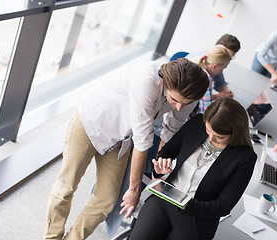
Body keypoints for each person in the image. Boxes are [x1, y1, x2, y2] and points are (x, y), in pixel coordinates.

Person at [44, 58, 209, 240]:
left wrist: (159, 168)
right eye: (174, 100)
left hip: (120, 137)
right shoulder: (147, 80)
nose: (179, 107)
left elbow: (170, 131)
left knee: (106, 200)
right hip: (90, 124)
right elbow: (142, 141)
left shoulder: (189, 96)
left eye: (186, 104)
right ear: (164, 83)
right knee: (66, 187)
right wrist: (134, 189)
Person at [128, 97, 257, 240]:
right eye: (208, 131)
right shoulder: (197, 123)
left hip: (197, 217)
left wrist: (189, 206)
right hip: (165, 200)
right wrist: (160, 168)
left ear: (235, 133)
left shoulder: (245, 158)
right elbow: (166, 152)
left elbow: (224, 206)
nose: (211, 139)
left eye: (219, 137)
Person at [187, 34, 241, 98]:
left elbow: (220, 82)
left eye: (231, 57)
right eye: (226, 54)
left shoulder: (213, 64)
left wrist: (227, 92)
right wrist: (218, 96)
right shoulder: (197, 72)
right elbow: (195, 97)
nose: (228, 58)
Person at [191, 44, 232, 114]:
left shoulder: (194, 61)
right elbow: (205, 111)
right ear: (215, 66)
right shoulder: (206, 79)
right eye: (222, 68)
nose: (221, 72)